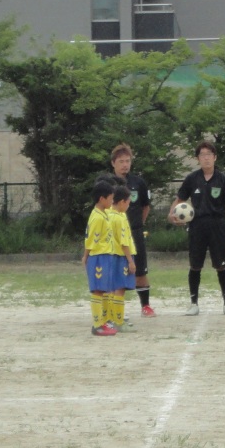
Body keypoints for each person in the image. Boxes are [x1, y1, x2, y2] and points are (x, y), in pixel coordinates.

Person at [170, 140, 225, 316]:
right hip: (197, 226)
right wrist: (171, 214)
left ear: (215, 157)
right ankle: (193, 303)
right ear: (198, 159)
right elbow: (180, 199)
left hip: (217, 225)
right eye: (202, 155)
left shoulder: (223, 180)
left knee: (221, 265)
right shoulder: (192, 179)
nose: (206, 158)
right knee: (195, 265)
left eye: (209, 154)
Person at [110, 143, 156, 317]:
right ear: (113, 163)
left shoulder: (138, 183)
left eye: (127, 161)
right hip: (113, 235)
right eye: (121, 161)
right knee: (114, 270)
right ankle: (113, 309)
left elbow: (145, 206)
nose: (125, 165)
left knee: (140, 269)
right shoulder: (107, 183)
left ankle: (146, 306)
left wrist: (137, 225)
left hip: (135, 233)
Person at [82, 179, 118, 336]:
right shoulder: (97, 217)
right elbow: (91, 239)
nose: (112, 201)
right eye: (110, 198)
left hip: (106, 255)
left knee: (104, 289)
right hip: (98, 257)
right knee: (97, 290)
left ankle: (104, 321)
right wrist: (86, 256)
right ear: (102, 199)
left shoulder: (103, 214)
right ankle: (97, 325)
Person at [108, 183, 137, 331]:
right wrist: (130, 261)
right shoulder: (119, 218)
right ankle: (118, 321)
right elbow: (124, 242)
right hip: (121, 257)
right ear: (121, 202)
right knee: (120, 289)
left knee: (113, 288)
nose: (128, 206)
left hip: (110, 256)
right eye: (128, 203)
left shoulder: (108, 214)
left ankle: (112, 318)